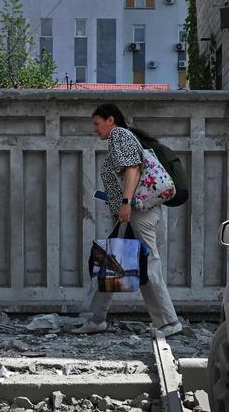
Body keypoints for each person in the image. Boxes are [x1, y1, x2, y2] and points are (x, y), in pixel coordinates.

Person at [73, 103, 185, 337]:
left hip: (138, 211)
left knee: (149, 264)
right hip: (136, 209)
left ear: (110, 120)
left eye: (97, 123)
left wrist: (125, 203)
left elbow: (133, 170)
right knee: (114, 258)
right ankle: (96, 318)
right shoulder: (124, 137)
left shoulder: (120, 137)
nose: (95, 129)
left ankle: (170, 322)